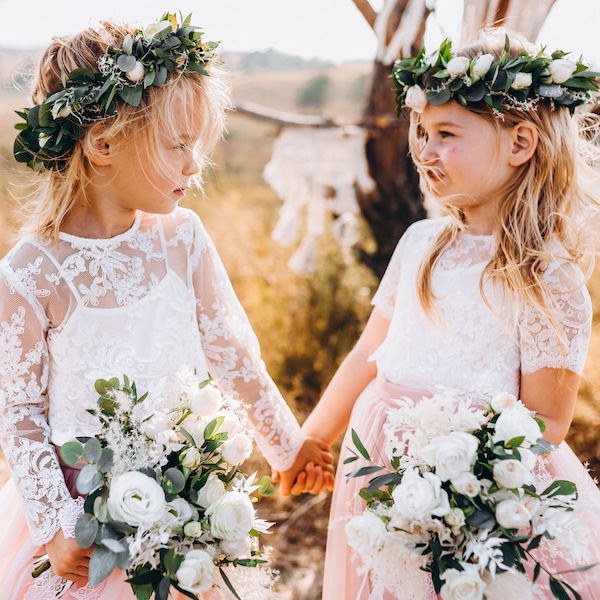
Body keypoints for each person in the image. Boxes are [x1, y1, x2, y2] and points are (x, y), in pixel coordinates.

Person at [0, 13, 333, 600]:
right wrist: (54, 524)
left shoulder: (181, 238)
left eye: (197, 145)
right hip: (88, 525)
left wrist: (286, 443)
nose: (193, 164)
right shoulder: (32, 272)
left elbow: (229, 348)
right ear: (103, 145)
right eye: (177, 144)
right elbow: (20, 411)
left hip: (188, 511)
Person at [289, 28, 600, 598]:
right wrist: (313, 436)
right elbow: (368, 353)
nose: (424, 152)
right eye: (422, 133)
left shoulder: (547, 275)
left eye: (447, 134)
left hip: (473, 494)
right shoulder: (420, 243)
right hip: (380, 467)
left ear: (520, 143)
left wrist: (455, 478)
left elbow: (549, 423)